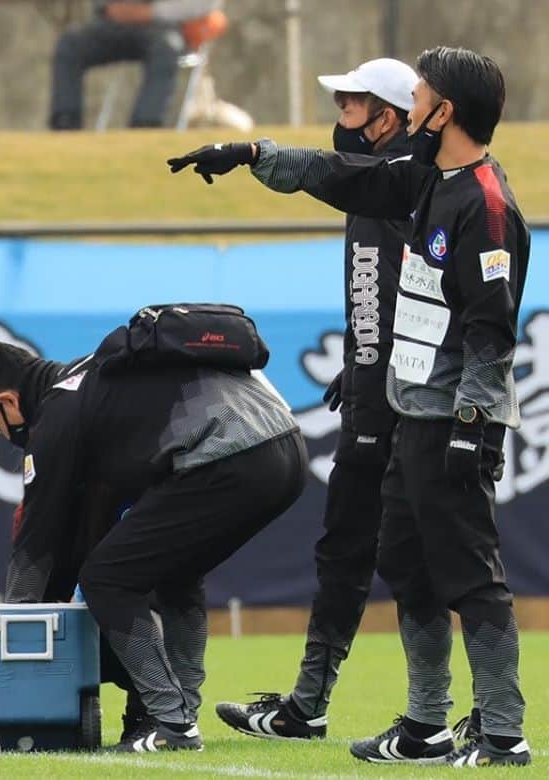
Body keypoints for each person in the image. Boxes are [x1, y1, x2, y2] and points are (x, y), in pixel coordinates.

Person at [168, 45, 532, 768]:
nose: (412, 108)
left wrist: (470, 428)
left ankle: (503, 734)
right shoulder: (426, 180)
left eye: (420, 95)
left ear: (441, 111)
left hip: (449, 425)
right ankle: (426, 727)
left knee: (469, 575)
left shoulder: (485, 202)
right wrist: (254, 154)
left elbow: (491, 334)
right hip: (409, 413)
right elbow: (340, 174)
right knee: (408, 563)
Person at [0, 309, 307, 752]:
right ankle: (178, 711)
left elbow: (36, 545)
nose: (4, 435)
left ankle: (172, 722)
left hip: (233, 455)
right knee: (175, 575)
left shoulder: (56, 415)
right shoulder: (88, 381)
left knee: (106, 579)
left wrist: (14, 641)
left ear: (9, 402)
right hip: (285, 447)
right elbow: (93, 521)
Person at [213, 58, 418, 742]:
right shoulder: (379, 183)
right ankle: (312, 704)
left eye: (354, 103)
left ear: (390, 115)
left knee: (418, 555)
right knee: (350, 550)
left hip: (406, 402)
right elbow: (381, 290)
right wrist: (364, 355)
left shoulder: (402, 182)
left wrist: (379, 363)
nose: (341, 113)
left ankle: (459, 720)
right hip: (378, 389)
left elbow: (437, 298)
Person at [50, 0, 220, 129]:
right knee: (70, 44)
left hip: (168, 27)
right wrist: (110, 8)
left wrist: (152, 12)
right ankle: (66, 123)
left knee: (166, 47)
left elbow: (207, 4)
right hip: (117, 25)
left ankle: (146, 124)